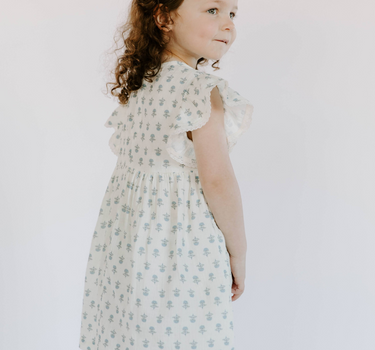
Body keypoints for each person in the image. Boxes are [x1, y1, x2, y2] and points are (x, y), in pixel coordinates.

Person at [79, 0, 254, 349]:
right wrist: (239, 253)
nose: (228, 24)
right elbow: (217, 180)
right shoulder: (199, 92)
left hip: (127, 249)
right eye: (212, 10)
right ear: (163, 17)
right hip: (180, 250)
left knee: (131, 335)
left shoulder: (142, 85)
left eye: (232, 13)